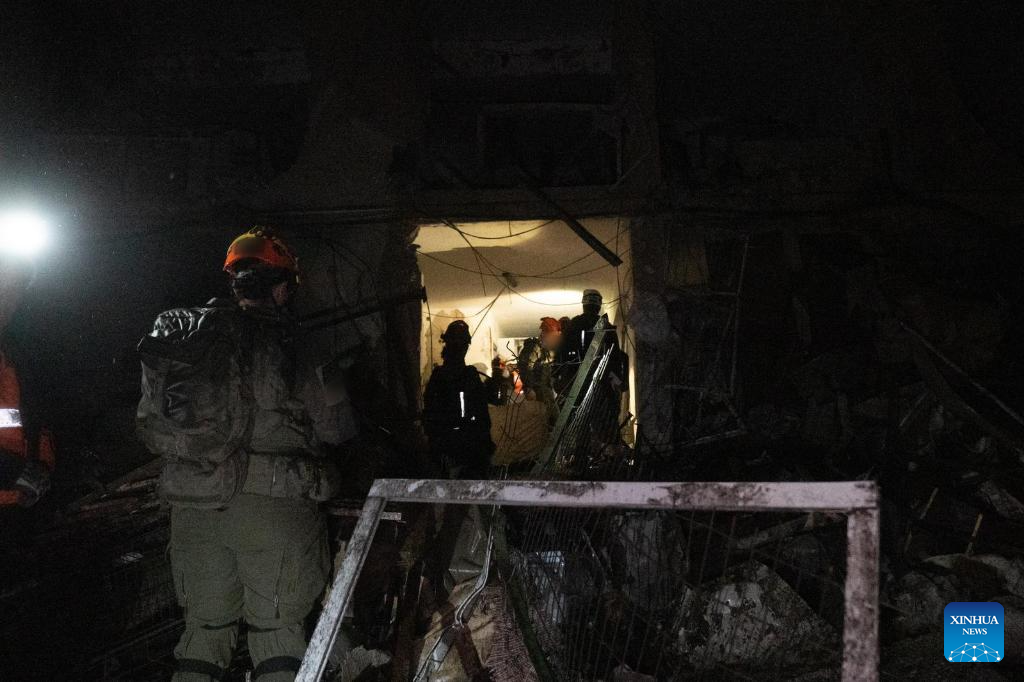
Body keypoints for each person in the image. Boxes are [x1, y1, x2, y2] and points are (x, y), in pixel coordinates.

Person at [138, 227, 336, 682]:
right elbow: (336, 426)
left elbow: (150, 424)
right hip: (273, 508)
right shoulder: (301, 345)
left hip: (195, 510)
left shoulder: (186, 341)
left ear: (234, 283)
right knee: (277, 633)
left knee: (203, 634)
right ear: (282, 288)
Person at [0, 255, 54, 508]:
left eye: (15, 291)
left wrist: (42, 469)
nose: (8, 301)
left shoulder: (16, 353)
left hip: (18, 503)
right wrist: (12, 472)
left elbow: (33, 422)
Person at [422, 320, 494, 479]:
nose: (460, 349)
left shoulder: (468, 376)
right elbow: (431, 417)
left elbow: (482, 416)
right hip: (450, 451)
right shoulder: (441, 377)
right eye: (458, 345)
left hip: (467, 450)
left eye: (461, 345)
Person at [520, 317, 563, 422]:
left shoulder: (546, 350)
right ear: (545, 334)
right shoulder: (535, 348)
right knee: (544, 421)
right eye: (553, 337)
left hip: (546, 392)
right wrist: (529, 388)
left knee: (554, 420)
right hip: (538, 392)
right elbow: (525, 367)